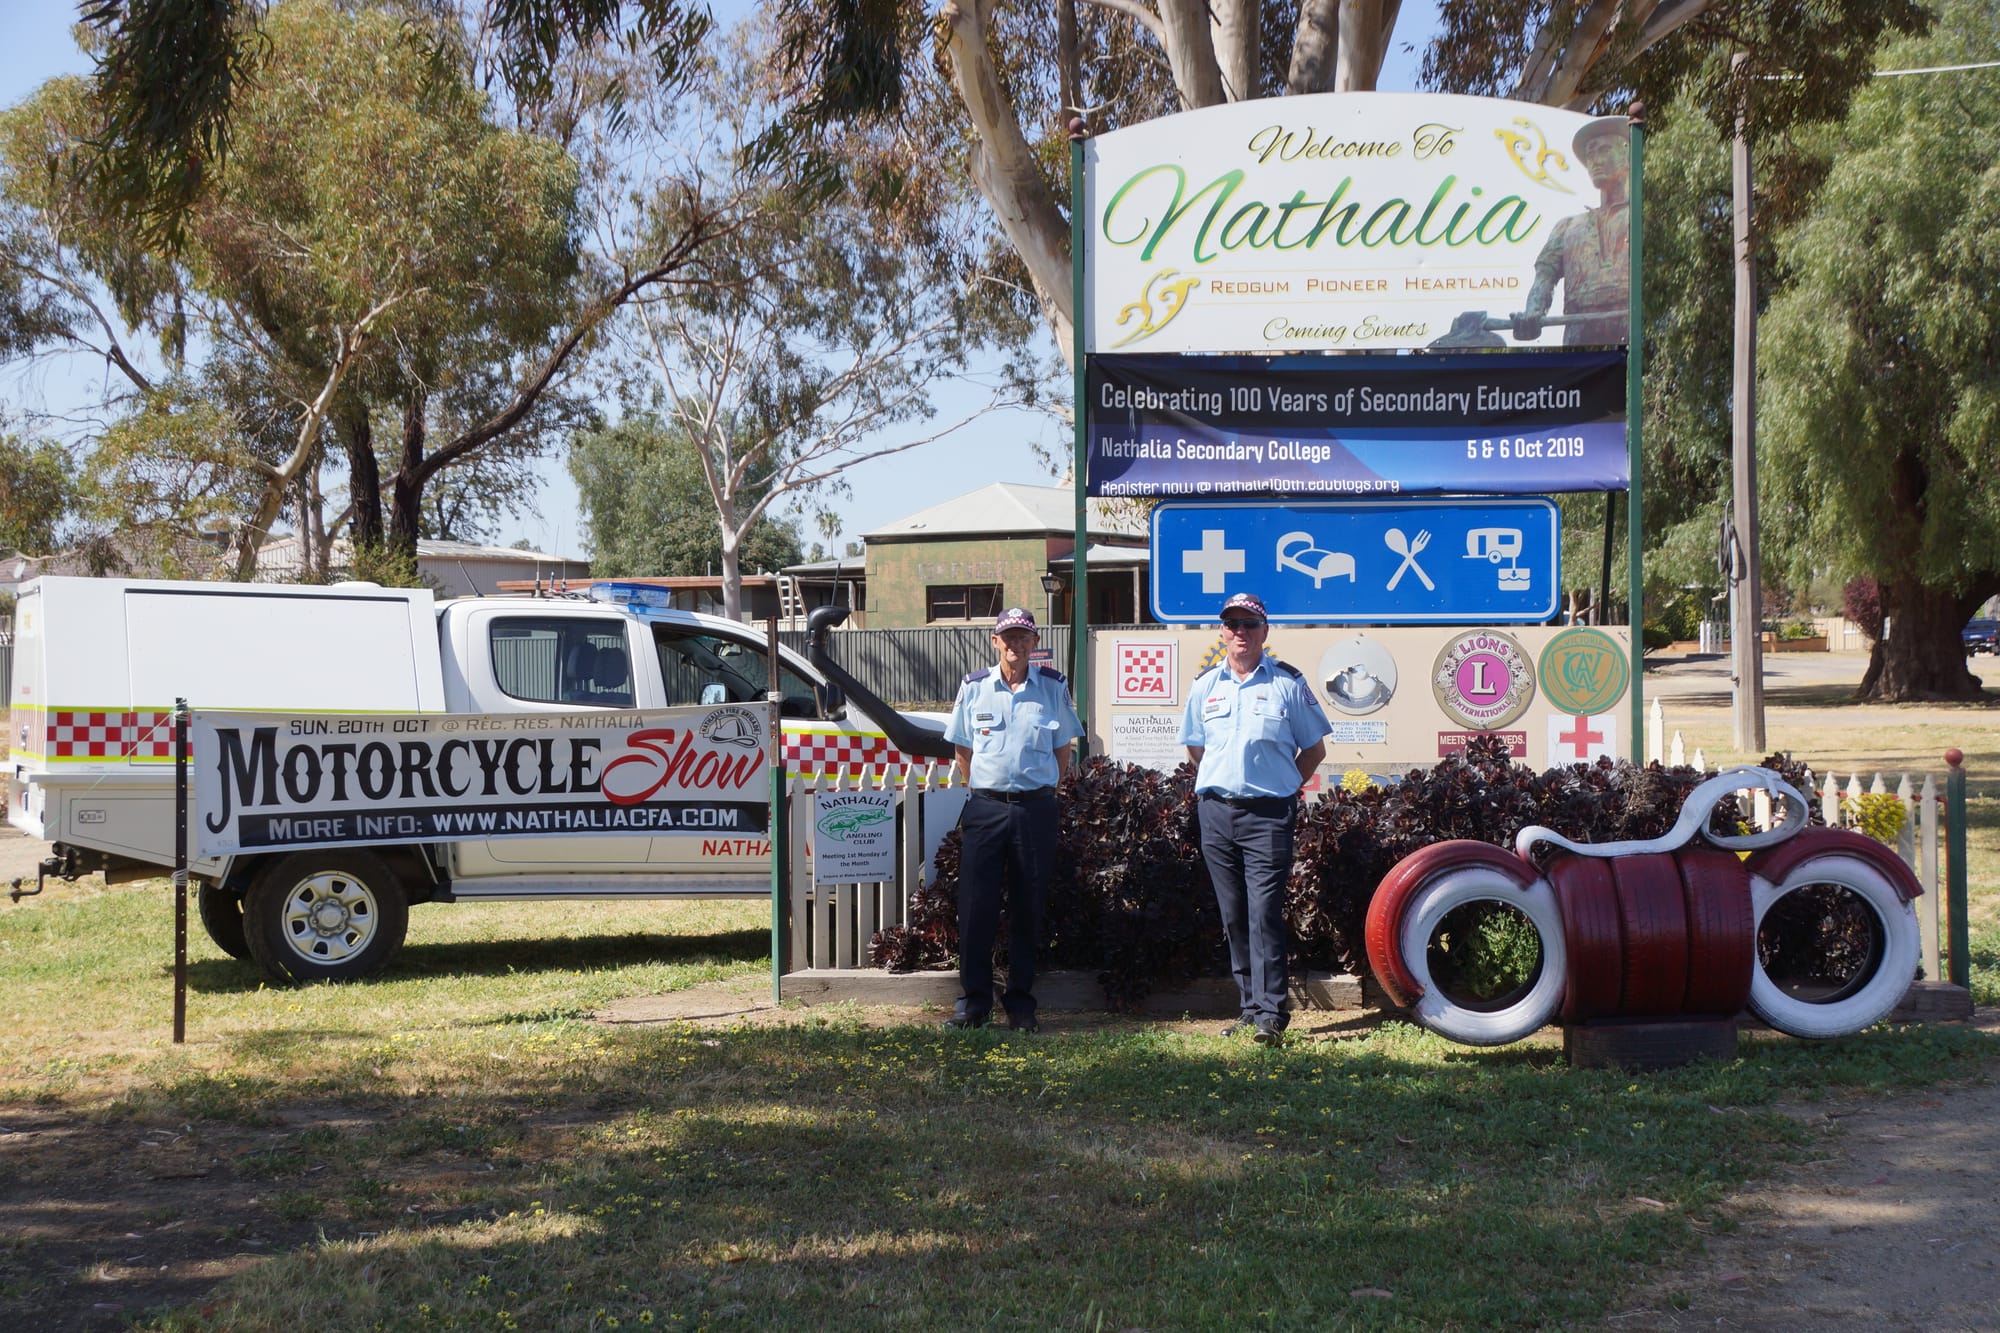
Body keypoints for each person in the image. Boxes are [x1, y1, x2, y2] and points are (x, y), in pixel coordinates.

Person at [1180, 592, 1332, 1045]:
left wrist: (1283, 786)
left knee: (1263, 912)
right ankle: (1249, 1007)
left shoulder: (1287, 683)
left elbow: (1315, 749)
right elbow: (1195, 747)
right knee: (1232, 914)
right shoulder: (1205, 686)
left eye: (1250, 624)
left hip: (1268, 815)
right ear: (1222, 632)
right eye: (1233, 624)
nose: (1241, 632)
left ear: (1265, 632)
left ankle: (1271, 1012)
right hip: (1216, 814)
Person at [942, 607, 1082, 1033]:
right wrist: (987, 790)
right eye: (1009, 637)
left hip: (1034, 809)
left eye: (1024, 637)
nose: (1017, 645)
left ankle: (1021, 1005)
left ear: (1034, 642)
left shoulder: (1053, 688)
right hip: (985, 809)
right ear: (995, 641)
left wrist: (1042, 789)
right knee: (976, 908)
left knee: (1027, 908)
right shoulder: (974, 687)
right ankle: (974, 1004)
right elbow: (962, 751)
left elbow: (1063, 749)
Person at [1513, 116, 1631, 347]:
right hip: (1580, 334)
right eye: (1590, 155)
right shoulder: (1568, 226)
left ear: (1627, 155)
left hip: (1632, 325)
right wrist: (1532, 312)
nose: (1595, 161)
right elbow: (1544, 277)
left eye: (1604, 150)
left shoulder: (1644, 215)